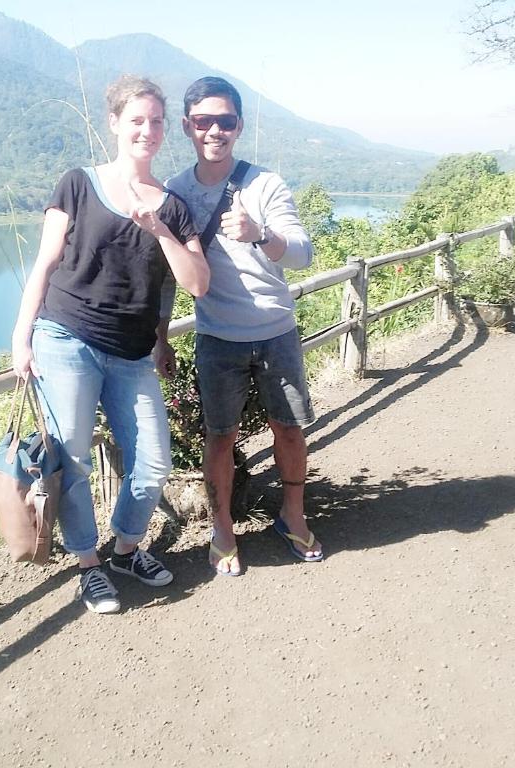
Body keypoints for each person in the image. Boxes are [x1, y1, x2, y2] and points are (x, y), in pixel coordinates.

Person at [9, 75, 208, 614]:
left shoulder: (173, 207)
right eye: (136, 120)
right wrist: (21, 337)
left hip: (133, 352)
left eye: (156, 121)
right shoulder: (78, 183)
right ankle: (87, 564)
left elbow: (193, 284)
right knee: (72, 459)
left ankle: (124, 549)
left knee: (155, 461)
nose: (147, 130)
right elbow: (45, 263)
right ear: (115, 123)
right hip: (64, 337)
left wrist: (160, 230)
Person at [166, 76, 321, 576]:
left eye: (225, 121)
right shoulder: (175, 192)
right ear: (187, 126)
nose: (214, 130)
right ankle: (222, 529)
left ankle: (292, 515)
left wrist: (260, 234)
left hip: (275, 331)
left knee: (290, 430)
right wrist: (159, 336)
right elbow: (166, 273)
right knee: (219, 437)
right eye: (203, 121)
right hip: (217, 336)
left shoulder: (265, 184)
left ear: (238, 126)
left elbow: (301, 254)